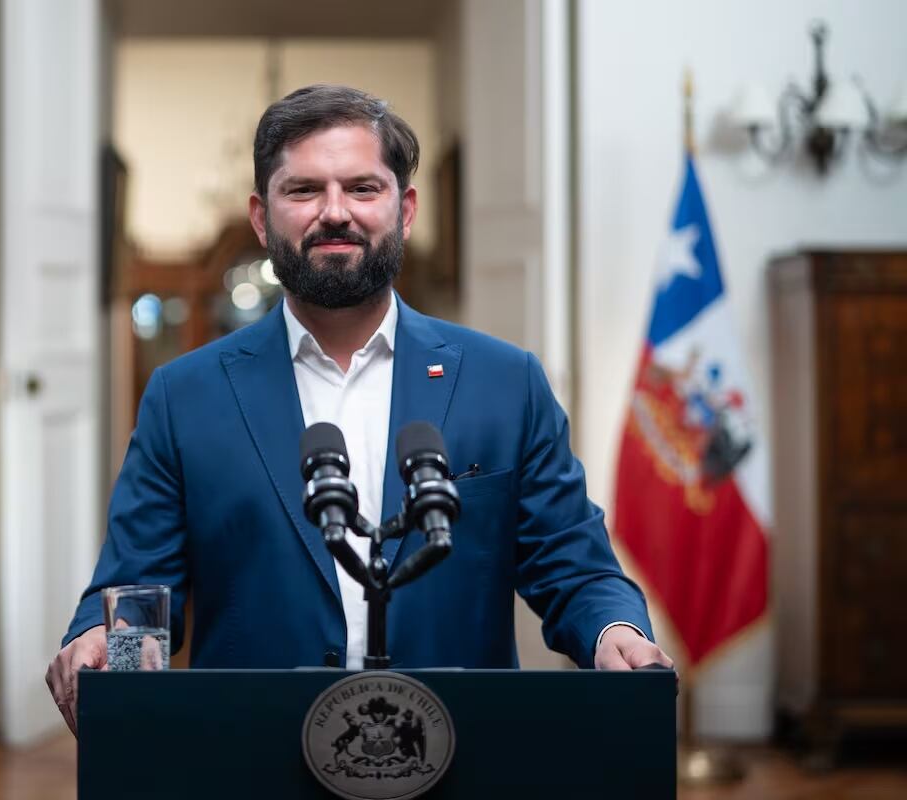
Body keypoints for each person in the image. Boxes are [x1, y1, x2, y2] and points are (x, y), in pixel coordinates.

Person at [46, 84, 673, 734]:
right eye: (303, 190)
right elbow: (137, 583)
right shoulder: (184, 396)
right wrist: (104, 640)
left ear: (405, 209)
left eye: (362, 188)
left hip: (459, 750)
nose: (335, 211)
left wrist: (613, 632)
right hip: (253, 751)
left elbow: (572, 562)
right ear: (261, 218)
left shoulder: (506, 382)